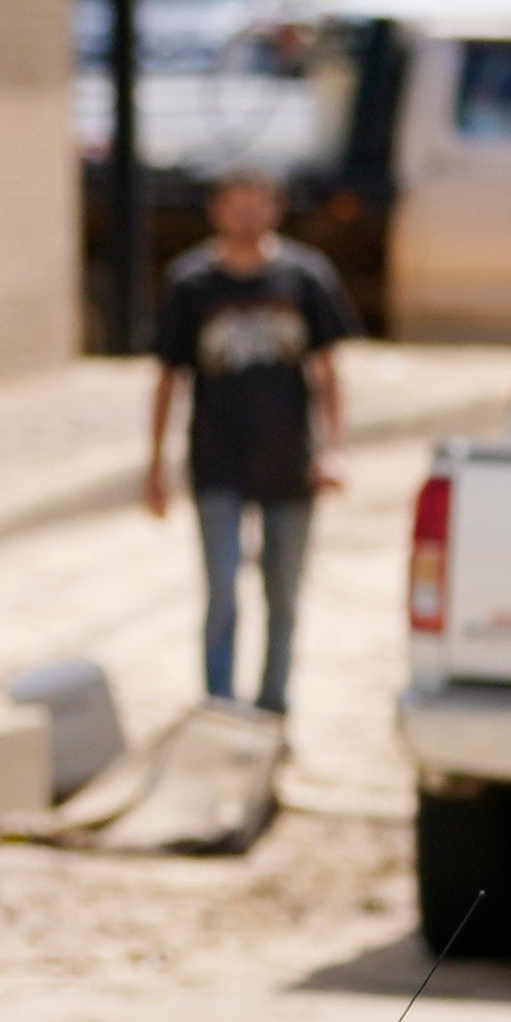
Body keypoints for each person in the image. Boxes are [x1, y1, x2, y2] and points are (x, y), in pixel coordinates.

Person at [142, 171, 355, 715]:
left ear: (276, 208)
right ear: (216, 210)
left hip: (290, 463)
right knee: (222, 594)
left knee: (283, 594)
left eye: (257, 204)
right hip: (217, 461)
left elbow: (329, 371)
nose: (246, 216)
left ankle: (273, 704)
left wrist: (334, 449)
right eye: (236, 205)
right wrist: (155, 465)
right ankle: (218, 706)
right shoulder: (192, 283)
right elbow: (168, 378)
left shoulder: (304, 277)